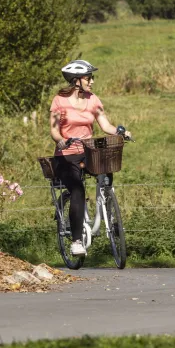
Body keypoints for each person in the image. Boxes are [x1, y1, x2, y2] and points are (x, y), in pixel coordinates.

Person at [50, 60, 132, 255]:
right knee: (77, 190)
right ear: (76, 80)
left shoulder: (93, 99)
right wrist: (61, 140)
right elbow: (54, 130)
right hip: (67, 155)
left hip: (88, 151)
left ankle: (109, 214)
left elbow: (105, 125)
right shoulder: (59, 101)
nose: (92, 82)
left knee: (106, 172)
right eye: (89, 78)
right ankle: (76, 241)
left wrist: (121, 131)